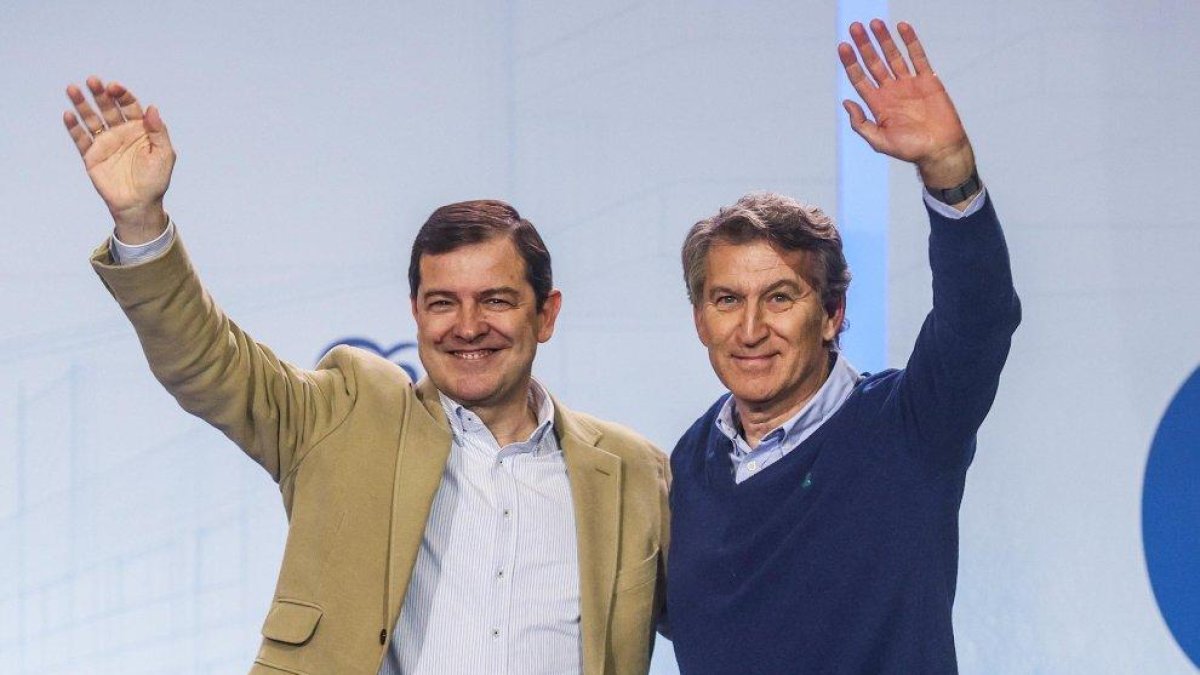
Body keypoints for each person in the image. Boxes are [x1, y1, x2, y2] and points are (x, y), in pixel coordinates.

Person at [64, 78, 668, 675]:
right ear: (416, 313)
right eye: (442, 303)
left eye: (496, 300)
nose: (468, 327)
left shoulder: (634, 471)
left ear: (546, 314)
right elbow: (207, 362)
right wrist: (141, 222)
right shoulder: (346, 417)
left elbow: (713, 612)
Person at [665, 20, 1020, 674]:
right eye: (727, 300)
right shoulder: (688, 465)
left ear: (832, 314)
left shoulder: (909, 426)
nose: (750, 329)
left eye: (779, 298)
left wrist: (950, 173)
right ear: (699, 320)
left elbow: (981, 316)